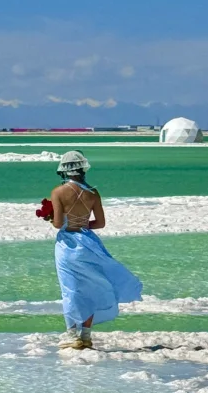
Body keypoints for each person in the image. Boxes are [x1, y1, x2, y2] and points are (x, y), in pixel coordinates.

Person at [41, 150, 143, 350]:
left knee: (71, 289)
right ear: (82, 169)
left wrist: (50, 218)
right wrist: (82, 224)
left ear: (64, 171)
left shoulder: (58, 192)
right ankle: (86, 335)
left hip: (68, 245)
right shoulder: (93, 193)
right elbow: (100, 223)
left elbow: (58, 223)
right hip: (88, 243)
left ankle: (72, 334)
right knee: (90, 288)